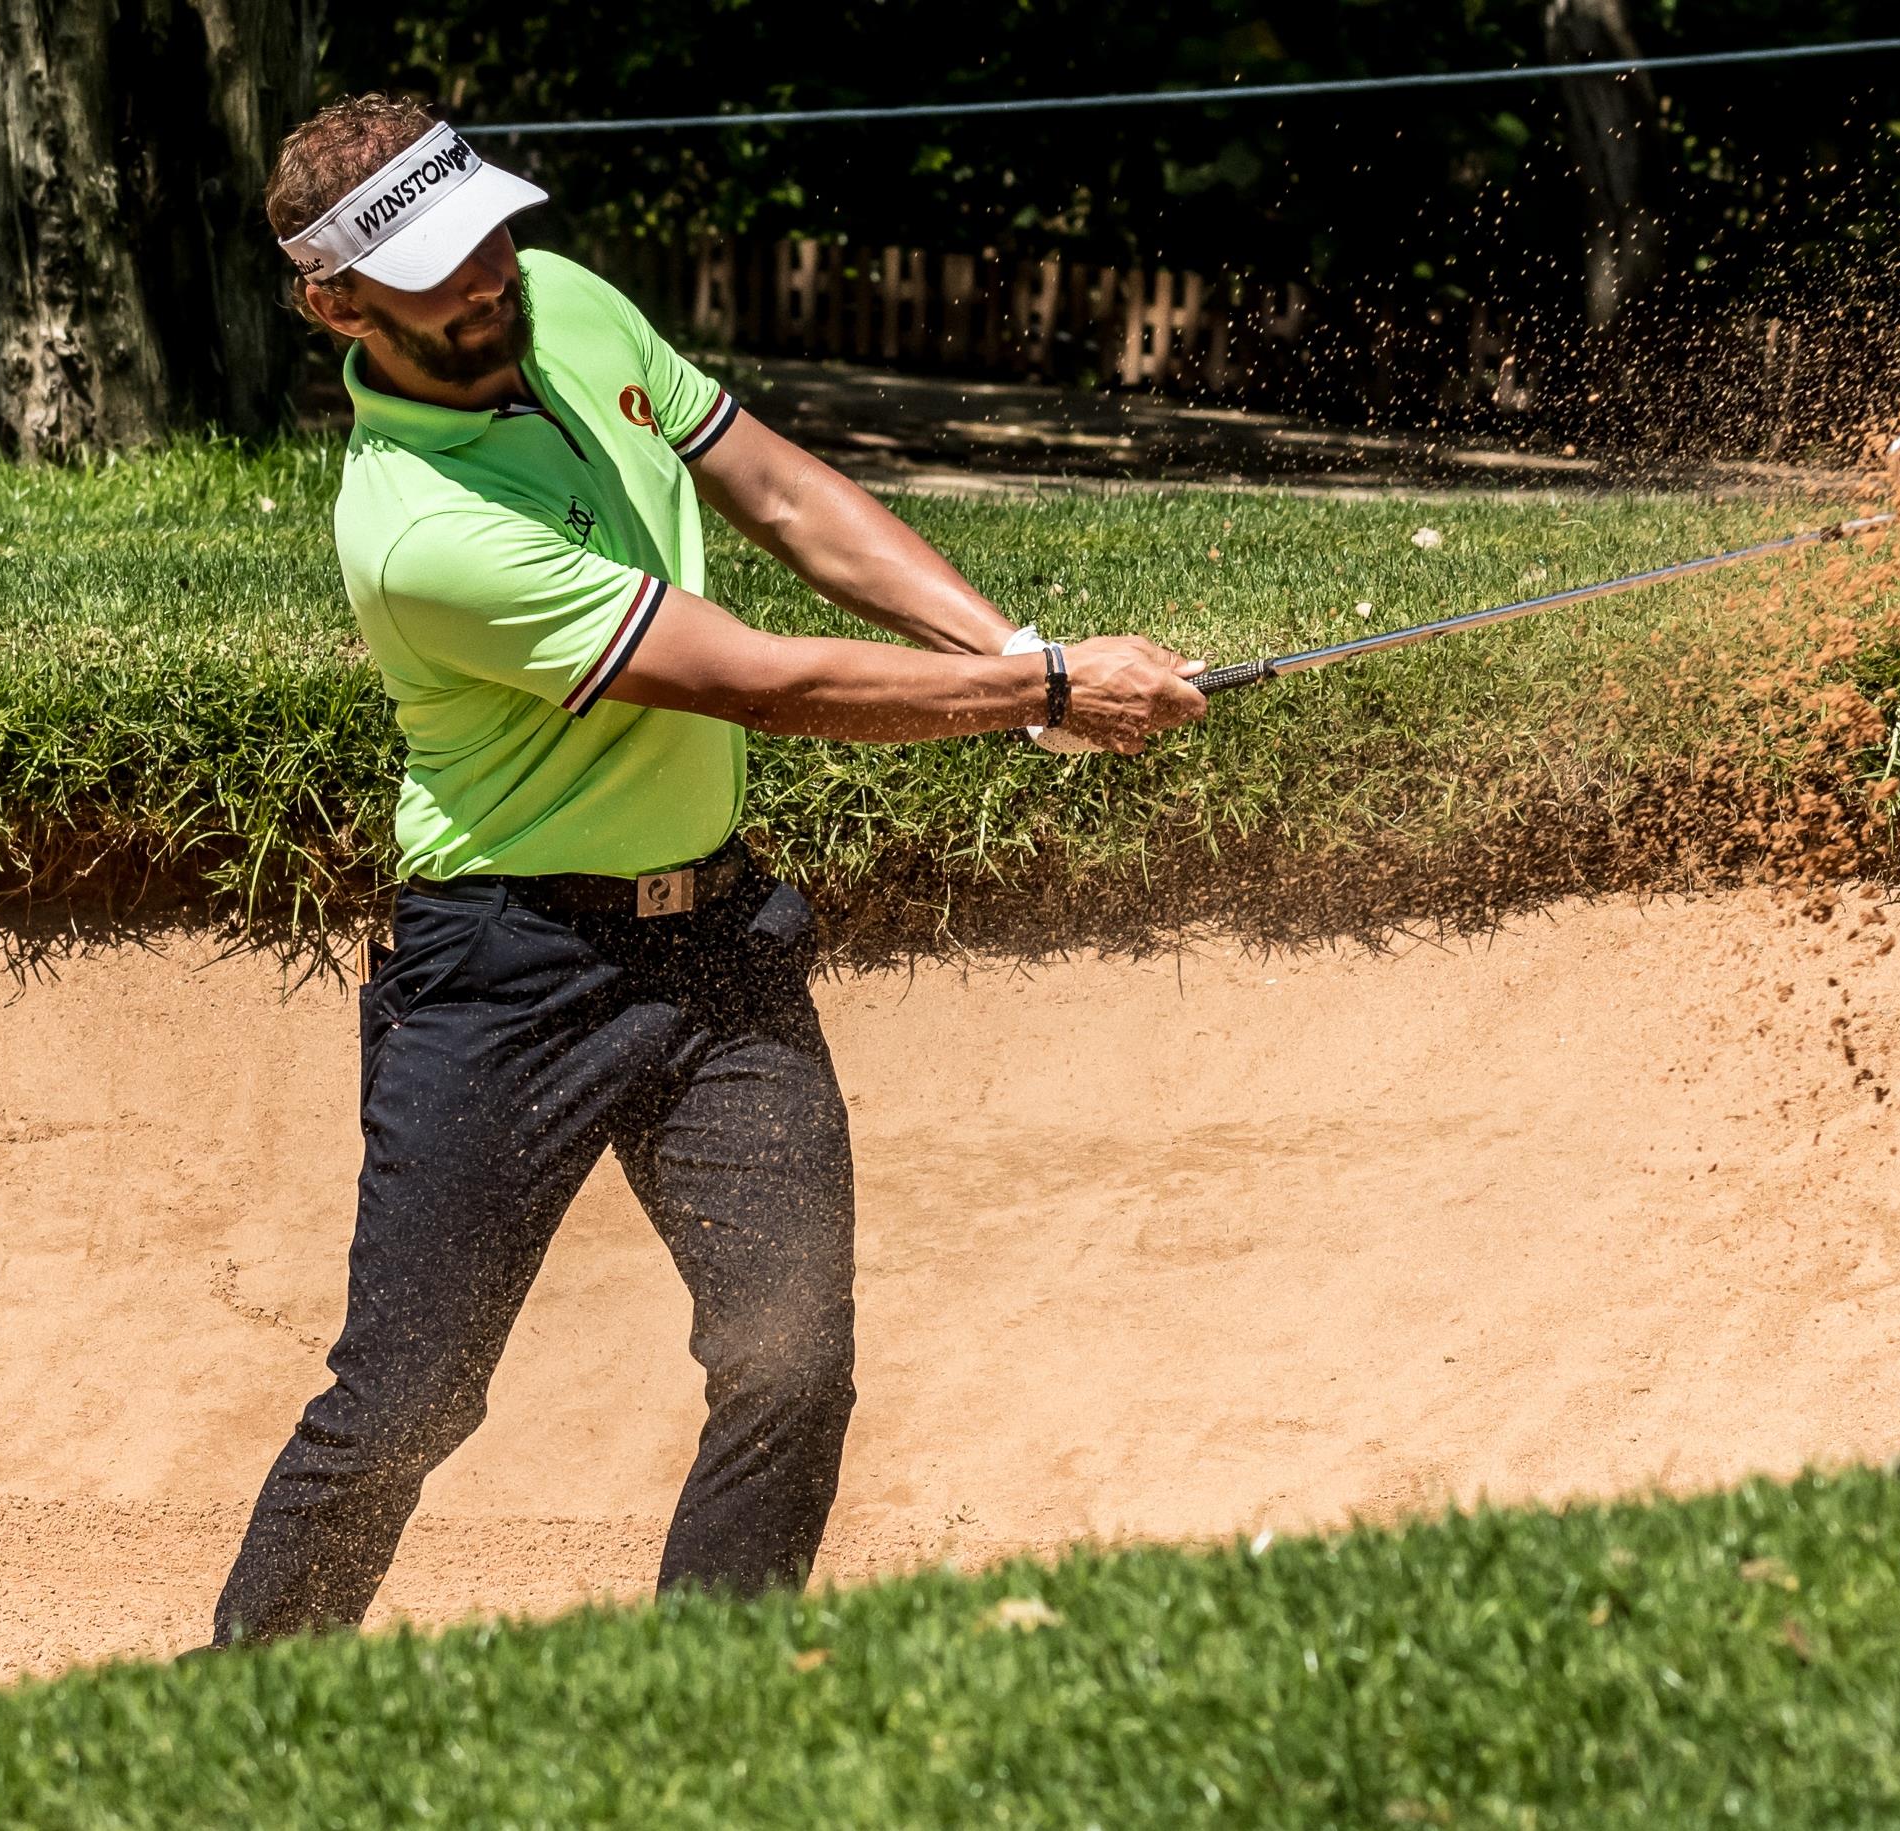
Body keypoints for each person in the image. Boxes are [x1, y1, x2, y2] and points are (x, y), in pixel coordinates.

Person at [211, 94, 1206, 1646]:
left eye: (488, 239)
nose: (482, 285)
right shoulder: (418, 528)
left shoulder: (562, 301)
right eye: (430, 269)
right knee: (407, 1398)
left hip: (716, 940)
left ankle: (704, 1713)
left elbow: (786, 497)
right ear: (335, 302)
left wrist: (1013, 655)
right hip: (505, 973)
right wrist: (1051, 694)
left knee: (790, 1358)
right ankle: (232, 1735)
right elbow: (754, 679)